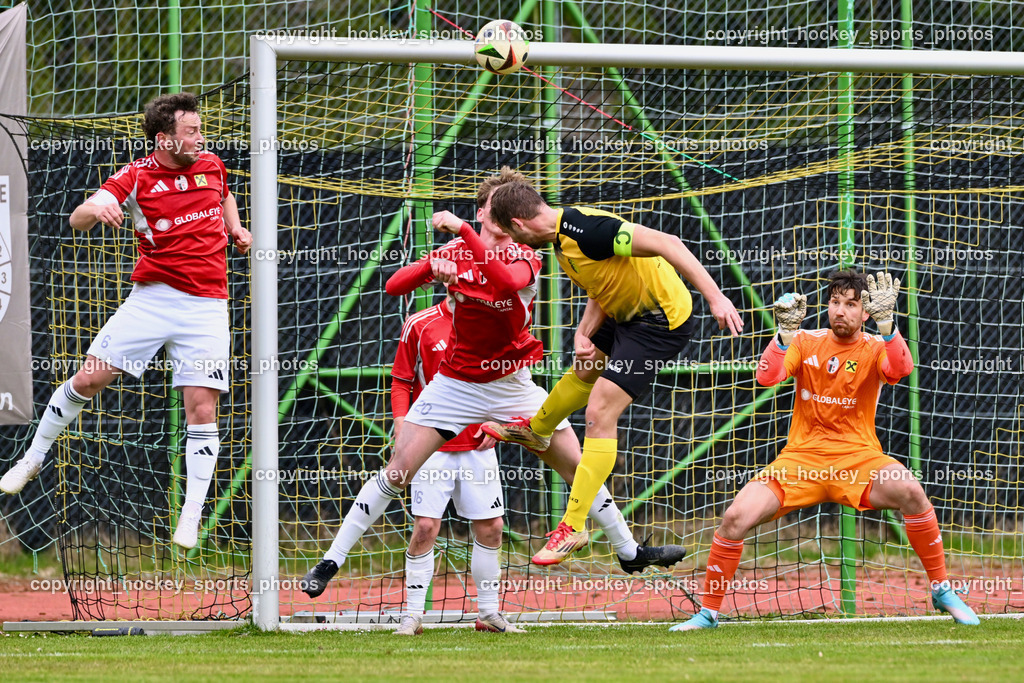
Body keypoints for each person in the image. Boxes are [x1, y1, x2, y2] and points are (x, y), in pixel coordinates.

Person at [300, 182, 686, 600]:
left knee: (577, 465)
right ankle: (331, 561)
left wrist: (463, 234)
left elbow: (504, 283)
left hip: (512, 383)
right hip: (457, 385)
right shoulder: (455, 253)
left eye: (508, 215)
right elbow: (395, 286)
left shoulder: (526, 254)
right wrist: (435, 263)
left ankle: (629, 551)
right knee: (398, 470)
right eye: (492, 211)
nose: (502, 222)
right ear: (484, 214)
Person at [0, 92, 252, 551]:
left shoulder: (212, 163)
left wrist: (235, 227)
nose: (201, 137)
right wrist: (98, 209)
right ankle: (34, 457)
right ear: (164, 138)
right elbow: (79, 216)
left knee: (202, 409)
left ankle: (191, 515)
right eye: (191, 131)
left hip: (207, 307)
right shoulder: (135, 176)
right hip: (152, 300)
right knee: (89, 379)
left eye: (200, 128)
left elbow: (226, 195)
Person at [670, 269, 979, 630]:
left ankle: (942, 589)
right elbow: (767, 378)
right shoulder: (804, 341)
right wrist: (783, 336)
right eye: (835, 302)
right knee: (735, 517)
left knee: (911, 489)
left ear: (865, 312)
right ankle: (708, 613)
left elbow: (901, 368)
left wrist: (888, 325)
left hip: (858, 459)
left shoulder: (876, 346)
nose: (841, 311)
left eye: (851, 304)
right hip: (801, 461)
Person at [482, 168, 743, 564]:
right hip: (625, 315)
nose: (515, 242)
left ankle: (573, 526)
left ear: (519, 223)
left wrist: (716, 297)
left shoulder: (590, 230)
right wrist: (585, 332)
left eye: (512, 234)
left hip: (659, 321)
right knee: (582, 374)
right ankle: (536, 433)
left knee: (599, 412)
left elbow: (667, 242)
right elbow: (604, 283)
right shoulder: (560, 240)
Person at [390, 297, 521, 635]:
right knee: (425, 528)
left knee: (492, 527)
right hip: (431, 447)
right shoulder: (419, 324)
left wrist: (497, 422)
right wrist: (402, 424)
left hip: (477, 447)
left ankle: (489, 614)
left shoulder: (493, 322)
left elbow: (505, 380)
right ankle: (412, 616)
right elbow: (402, 380)